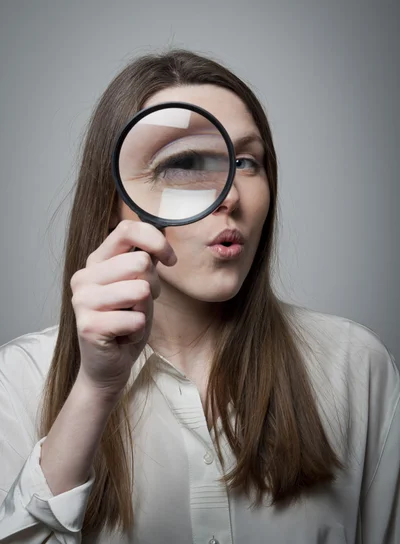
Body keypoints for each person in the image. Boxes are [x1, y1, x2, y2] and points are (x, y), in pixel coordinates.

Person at [0, 49, 399, 544]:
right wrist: (94, 390)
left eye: (245, 161)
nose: (228, 195)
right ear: (115, 200)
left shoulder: (355, 367)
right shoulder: (18, 382)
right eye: (184, 163)